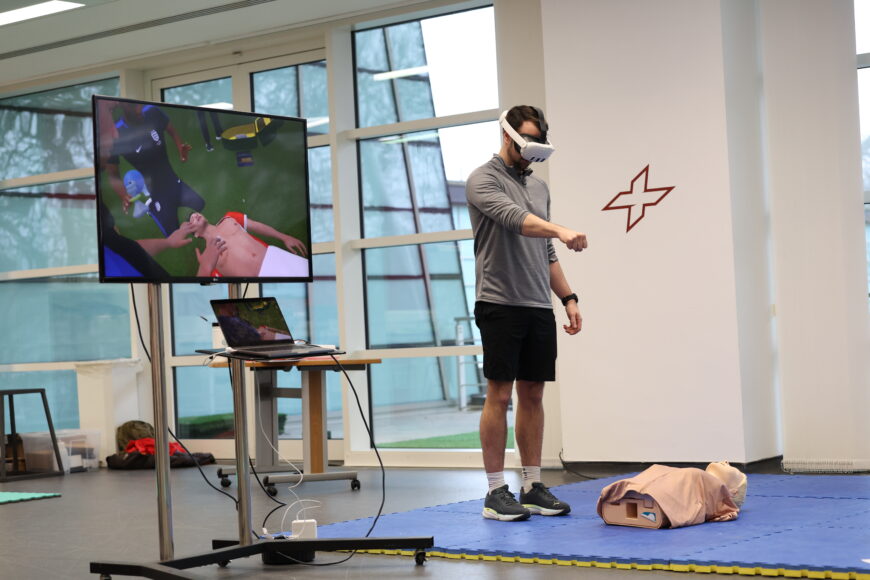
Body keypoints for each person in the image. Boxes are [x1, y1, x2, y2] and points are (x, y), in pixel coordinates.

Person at [465, 105, 588, 522]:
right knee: (499, 394)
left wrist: (569, 298)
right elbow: (517, 221)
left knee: (533, 394)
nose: (532, 155)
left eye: (539, 146)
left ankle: (532, 485)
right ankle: (495, 491)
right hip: (499, 302)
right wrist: (560, 228)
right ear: (508, 137)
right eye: (527, 145)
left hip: (538, 303)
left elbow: (546, 250)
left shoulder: (540, 189)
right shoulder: (481, 181)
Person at [104, 101, 205, 235]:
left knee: (200, 204)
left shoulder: (152, 112)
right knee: (173, 234)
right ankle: (153, 206)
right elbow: (112, 175)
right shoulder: (116, 134)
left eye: (140, 106)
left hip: (173, 181)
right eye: (136, 107)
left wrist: (180, 146)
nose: (141, 110)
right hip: (156, 191)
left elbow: (171, 130)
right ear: (125, 107)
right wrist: (124, 195)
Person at [185, 211, 309, 278]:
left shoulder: (229, 218)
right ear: (195, 235)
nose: (195, 215)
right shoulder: (208, 258)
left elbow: (257, 226)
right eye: (191, 220)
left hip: (276, 257)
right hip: (264, 282)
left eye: (194, 213)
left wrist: (284, 237)